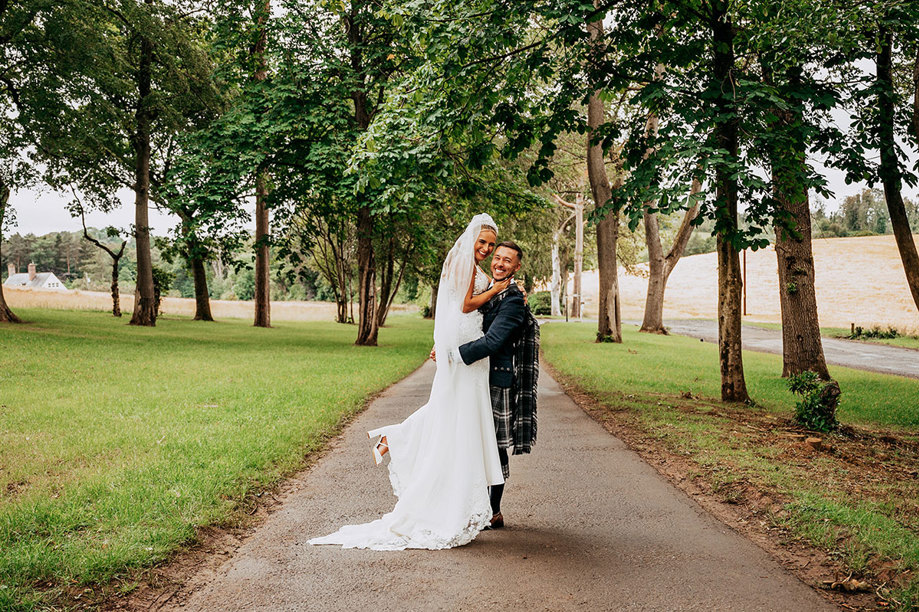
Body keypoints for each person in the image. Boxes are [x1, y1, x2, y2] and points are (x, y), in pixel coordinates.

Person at [308, 214, 508, 550]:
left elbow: (449, 310)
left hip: (466, 341)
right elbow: (462, 304)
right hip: (464, 345)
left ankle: (397, 438)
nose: (486, 249)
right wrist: (496, 291)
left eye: (491, 244)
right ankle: (398, 439)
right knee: (452, 410)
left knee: (452, 411)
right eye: (483, 243)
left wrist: (442, 341)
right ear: (471, 240)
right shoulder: (465, 266)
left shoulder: (473, 268)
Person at [457, 240, 535, 529]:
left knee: (496, 446)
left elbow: (494, 341)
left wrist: (455, 354)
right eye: (497, 257)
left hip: (497, 379)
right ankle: (476, 505)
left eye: (507, 260)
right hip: (478, 376)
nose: (500, 263)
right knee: (472, 439)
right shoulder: (493, 288)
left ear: (516, 267)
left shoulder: (513, 298)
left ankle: (493, 510)